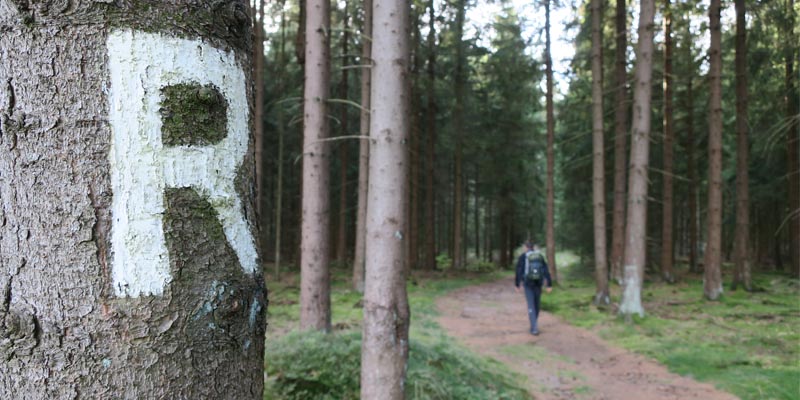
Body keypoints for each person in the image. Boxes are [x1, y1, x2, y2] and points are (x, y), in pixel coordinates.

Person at [515, 242, 552, 335]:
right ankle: (534, 325)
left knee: (531, 305)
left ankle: (534, 328)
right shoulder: (540, 256)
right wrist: (549, 284)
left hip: (528, 283)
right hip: (538, 283)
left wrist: (517, 284)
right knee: (537, 304)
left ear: (526, 248)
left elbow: (519, 270)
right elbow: (546, 270)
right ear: (533, 248)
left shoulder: (523, 257)